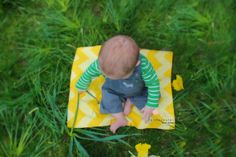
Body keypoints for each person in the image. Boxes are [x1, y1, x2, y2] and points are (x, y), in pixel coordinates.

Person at [76, 35, 160, 133]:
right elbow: (88, 73)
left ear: (136, 63)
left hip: (138, 88)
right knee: (107, 97)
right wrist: (82, 85)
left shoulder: (144, 66)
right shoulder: (102, 63)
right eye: (106, 75)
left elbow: (153, 84)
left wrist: (151, 105)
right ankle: (120, 118)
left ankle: (131, 100)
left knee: (154, 96)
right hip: (113, 89)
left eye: (119, 77)